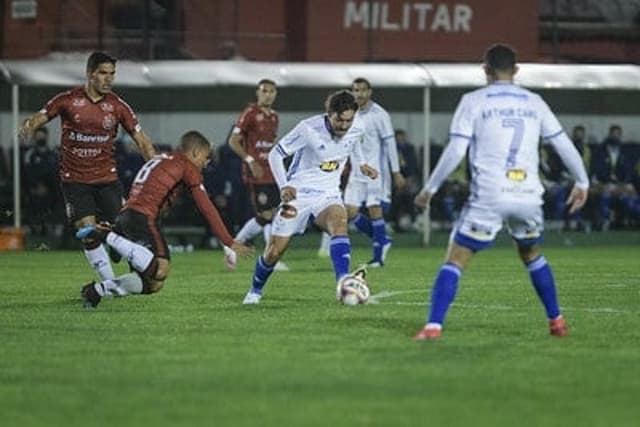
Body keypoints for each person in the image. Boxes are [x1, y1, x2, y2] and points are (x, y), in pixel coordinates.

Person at [413, 44, 589, 341]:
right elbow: (562, 144)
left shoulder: (473, 101)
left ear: (485, 69)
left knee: (456, 259)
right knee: (531, 253)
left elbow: (457, 148)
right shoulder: (535, 102)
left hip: (490, 194)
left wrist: (429, 188)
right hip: (528, 195)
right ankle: (556, 321)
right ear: (516, 69)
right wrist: (582, 182)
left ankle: (433, 327)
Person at [19, 51, 156, 282]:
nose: (108, 79)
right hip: (75, 180)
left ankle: (117, 244)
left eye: (112, 74)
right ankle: (109, 283)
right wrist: (29, 125)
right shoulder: (68, 100)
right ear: (89, 74)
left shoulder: (118, 106)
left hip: (107, 180)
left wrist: (155, 169)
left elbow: (142, 141)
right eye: (103, 73)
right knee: (87, 232)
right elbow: (40, 117)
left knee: (124, 230)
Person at [76, 131, 253, 308]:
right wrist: (228, 241)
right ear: (195, 152)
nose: (207, 163)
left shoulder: (161, 159)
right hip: (142, 218)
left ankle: (97, 290)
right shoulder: (186, 166)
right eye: (206, 157)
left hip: (127, 216)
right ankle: (108, 235)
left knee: (153, 284)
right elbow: (206, 207)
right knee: (161, 269)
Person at [242, 90, 378, 304]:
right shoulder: (308, 129)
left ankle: (343, 281)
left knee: (339, 225)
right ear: (329, 114)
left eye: (348, 121)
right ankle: (255, 290)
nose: (344, 126)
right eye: (339, 120)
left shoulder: (357, 125)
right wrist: (284, 185)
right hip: (299, 195)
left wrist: (361, 164)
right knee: (274, 252)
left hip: (328, 193)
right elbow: (276, 153)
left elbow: (354, 143)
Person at [226, 79, 289, 271]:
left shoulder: (274, 117)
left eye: (271, 91)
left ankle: (235, 245)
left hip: (272, 172)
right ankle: (267, 255)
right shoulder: (250, 113)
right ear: (257, 93)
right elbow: (233, 141)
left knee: (271, 214)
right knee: (267, 214)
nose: (268, 94)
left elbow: (271, 142)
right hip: (257, 173)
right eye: (264, 91)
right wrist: (250, 160)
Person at [342, 77, 405, 267]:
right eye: (355, 90)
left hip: (376, 170)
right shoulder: (349, 113)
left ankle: (378, 257)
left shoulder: (379, 114)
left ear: (369, 92)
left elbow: (390, 143)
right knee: (349, 212)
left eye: (362, 90)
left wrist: (396, 172)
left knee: (374, 209)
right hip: (356, 171)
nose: (358, 94)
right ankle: (383, 239)